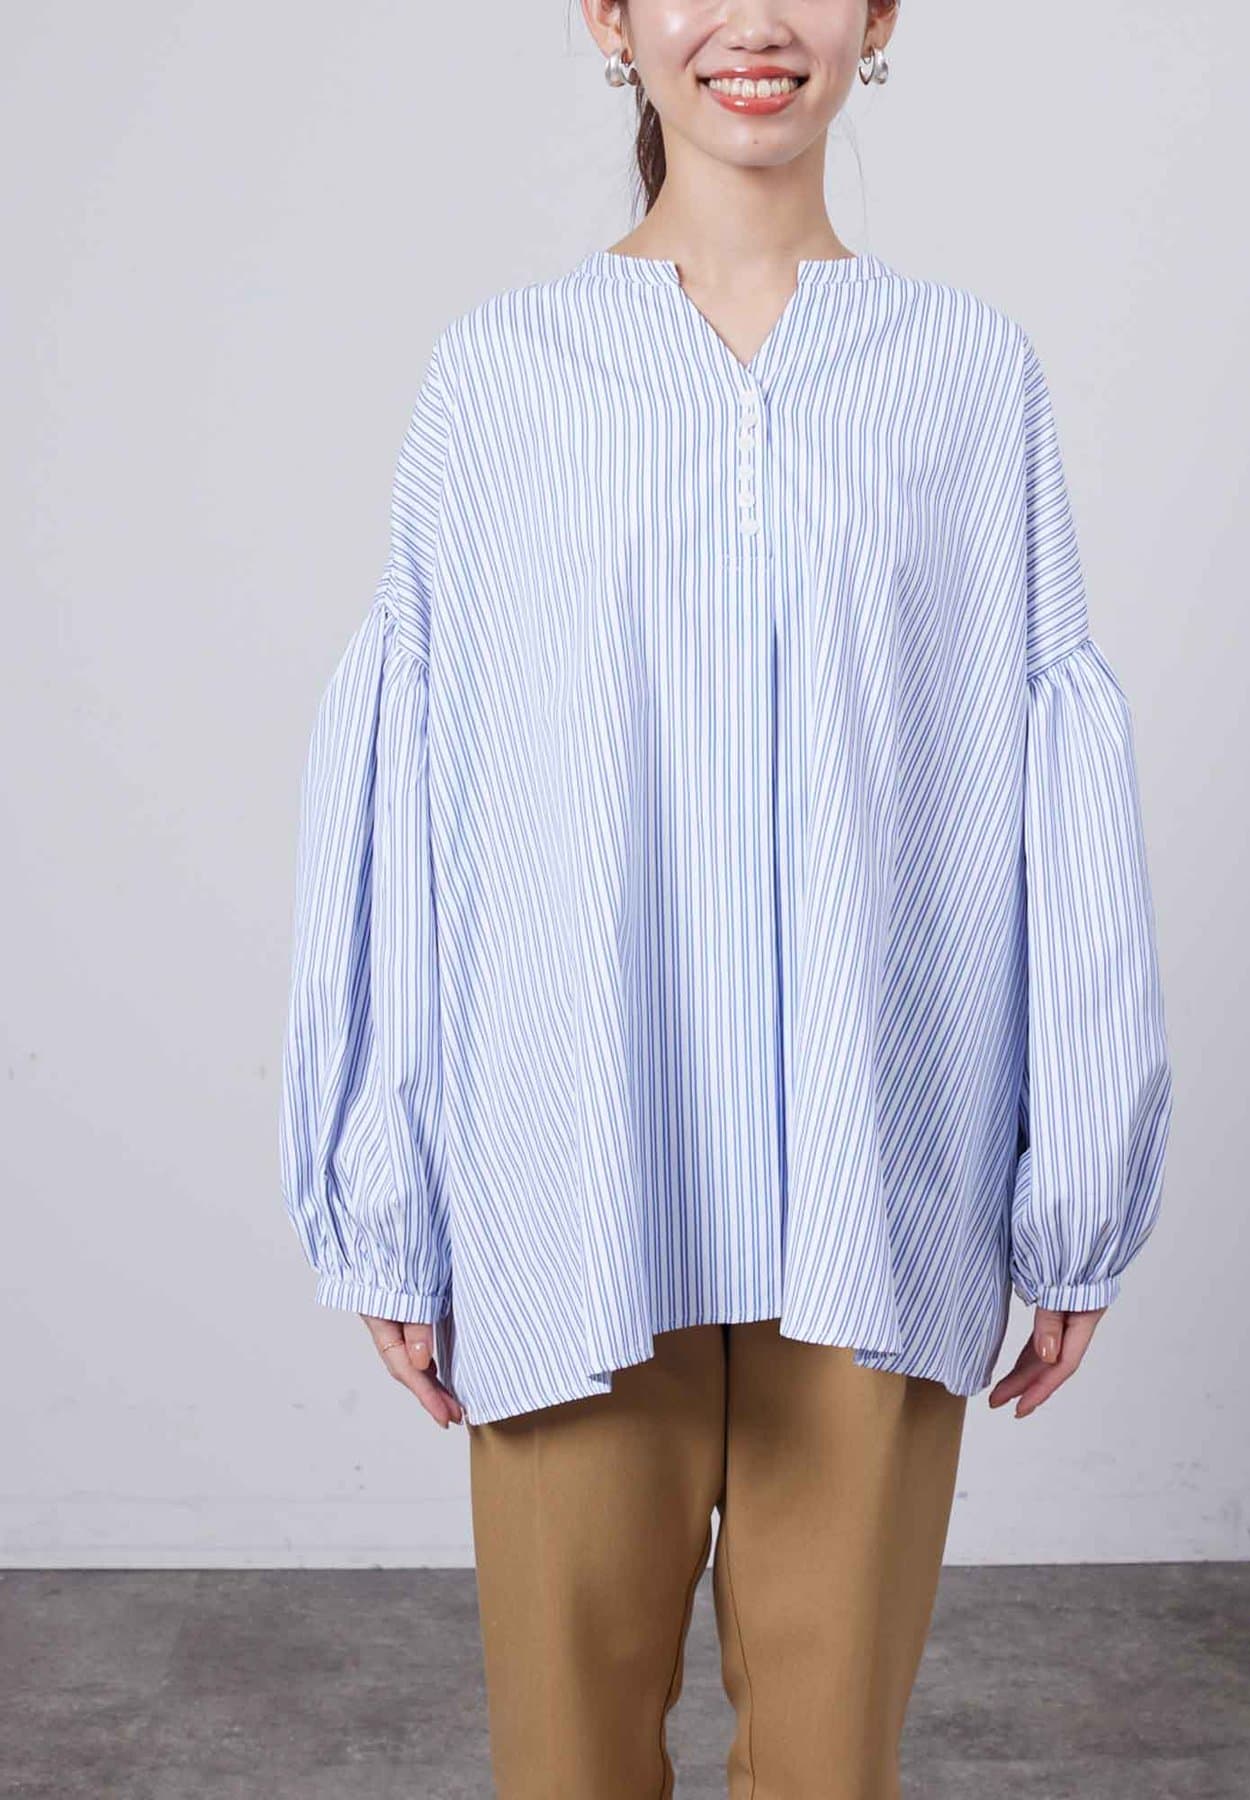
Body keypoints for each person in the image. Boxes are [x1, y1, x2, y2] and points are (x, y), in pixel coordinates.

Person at [277, 2, 1174, 1794]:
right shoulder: (500, 379)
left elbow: (1048, 774)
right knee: (568, 1765)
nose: (755, 23)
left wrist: (1079, 1173)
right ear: (612, 17)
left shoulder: (966, 377)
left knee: (833, 1769)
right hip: (572, 1187)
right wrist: (386, 1187)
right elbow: (415, 788)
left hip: (879, 1182)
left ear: (878, 17)